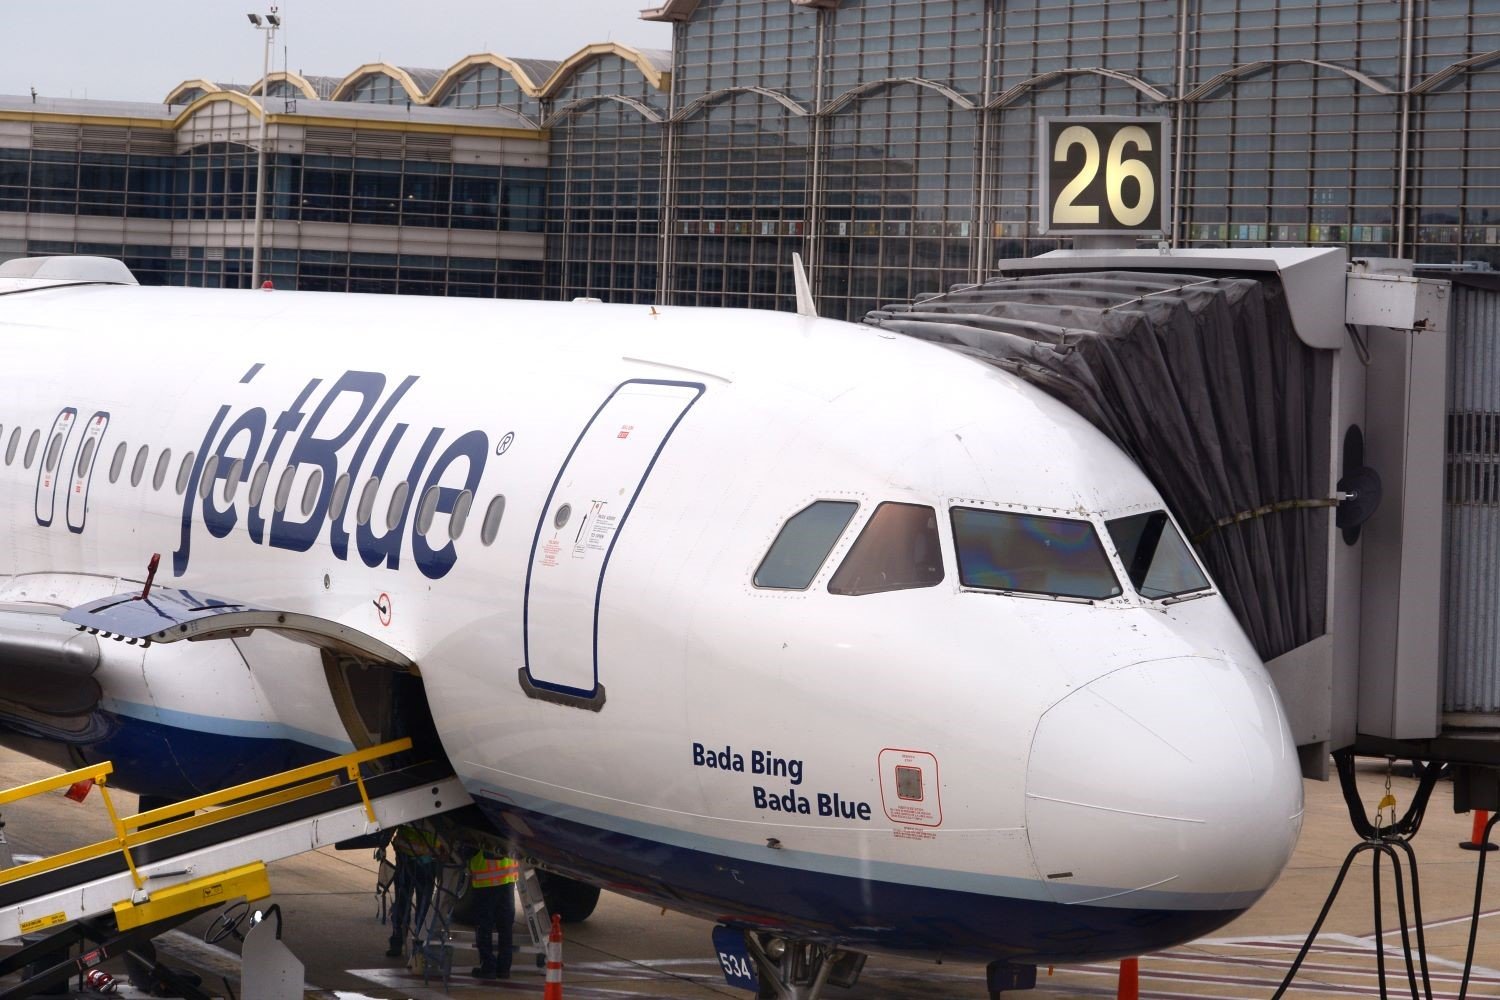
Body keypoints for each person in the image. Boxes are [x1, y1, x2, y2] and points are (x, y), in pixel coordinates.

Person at [387, 825, 441, 958]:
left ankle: (404, 943)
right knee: (414, 905)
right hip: (418, 858)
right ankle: (416, 947)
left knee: (406, 904)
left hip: (417, 858)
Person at [468, 848, 519, 980]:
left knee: (484, 925)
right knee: (505, 926)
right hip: (507, 879)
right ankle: (504, 968)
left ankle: (488, 967)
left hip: (485, 881)